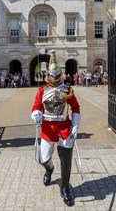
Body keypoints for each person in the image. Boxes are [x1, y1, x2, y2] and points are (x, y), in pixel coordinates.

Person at [31, 50, 81, 207]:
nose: (53, 78)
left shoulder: (67, 90)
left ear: (60, 75)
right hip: (47, 128)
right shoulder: (41, 91)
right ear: (48, 76)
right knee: (43, 158)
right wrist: (36, 114)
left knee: (66, 160)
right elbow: (36, 106)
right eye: (51, 76)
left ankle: (65, 187)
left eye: (56, 75)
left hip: (64, 128)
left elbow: (76, 108)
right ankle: (49, 169)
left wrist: (75, 127)